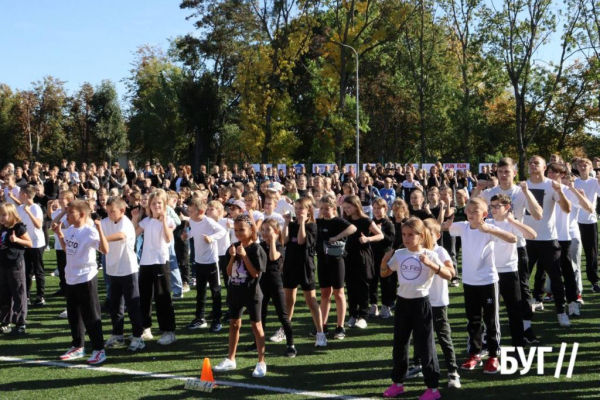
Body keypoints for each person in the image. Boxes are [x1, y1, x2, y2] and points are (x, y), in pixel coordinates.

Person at [381, 217, 454, 400]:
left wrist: (432, 265)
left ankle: (432, 388)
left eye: (411, 235)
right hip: (402, 303)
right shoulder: (399, 254)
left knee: (425, 345)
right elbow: (384, 274)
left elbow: (449, 275)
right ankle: (398, 383)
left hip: (421, 304)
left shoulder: (430, 255)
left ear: (421, 236)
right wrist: (384, 261)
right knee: (400, 344)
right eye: (404, 234)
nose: (406, 238)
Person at [472, 157, 543, 343]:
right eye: (500, 171)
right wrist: (477, 190)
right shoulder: (489, 193)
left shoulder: (521, 191)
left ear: (514, 172)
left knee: (522, 290)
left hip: (516, 248)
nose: (504, 175)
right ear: (497, 173)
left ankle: (526, 328)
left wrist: (527, 193)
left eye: (507, 171)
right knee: (489, 293)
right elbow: (470, 211)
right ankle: (488, 336)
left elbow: (538, 214)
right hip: (491, 249)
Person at [443, 197, 517, 374]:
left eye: (475, 211)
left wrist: (490, 230)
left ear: (484, 214)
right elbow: (442, 228)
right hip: (469, 282)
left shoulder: (489, 228)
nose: (470, 213)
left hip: (488, 281)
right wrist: (446, 213)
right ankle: (474, 353)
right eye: (468, 210)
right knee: (473, 320)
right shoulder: (463, 227)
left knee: (491, 321)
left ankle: (493, 355)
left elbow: (512, 238)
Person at [52, 200, 108, 365]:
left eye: (70, 213)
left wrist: (99, 229)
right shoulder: (69, 230)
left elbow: (105, 250)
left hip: (86, 278)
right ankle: (78, 346)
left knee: (91, 316)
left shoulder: (89, 232)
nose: (67, 215)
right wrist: (60, 235)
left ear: (82, 214)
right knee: (74, 315)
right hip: (71, 277)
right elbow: (68, 250)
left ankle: (99, 350)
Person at [213, 215, 268, 378]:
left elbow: (255, 273)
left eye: (242, 229)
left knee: (256, 326)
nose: (238, 233)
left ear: (251, 230)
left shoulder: (256, 249)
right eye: (236, 230)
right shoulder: (233, 247)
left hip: (252, 293)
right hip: (235, 291)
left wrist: (244, 256)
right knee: (234, 324)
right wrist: (231, 257)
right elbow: (229, 272)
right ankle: (231, 358)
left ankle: (261, 361)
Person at [523, 156, 572, 328]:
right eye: (530, 163)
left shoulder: (551, 186)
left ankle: (561, 312)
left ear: (544, 167)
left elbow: (567, 209)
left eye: (536, 163)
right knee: (522, 279)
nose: (532, 165)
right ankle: (524, 315)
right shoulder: (522, 186)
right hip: (526, 240)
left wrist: (560, 192)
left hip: (548, 239)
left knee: (556, 278)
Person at [487, 194, 536, 348]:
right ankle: (490, 346)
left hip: (510, 271)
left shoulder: (512, 224)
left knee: (514, 311)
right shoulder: (487, 222)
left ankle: (518, 345)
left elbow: (532, 235)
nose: (493, 209)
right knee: (489, 312)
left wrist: (512, 221)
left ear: (507, 207)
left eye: (497, 206)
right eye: (492, 206)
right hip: (490, 273)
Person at [131, 189, 177, 345]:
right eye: (153, 203)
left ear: (164, 205)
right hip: (145, 262)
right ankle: (146, 327)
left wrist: (163, 220)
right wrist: (134, 218)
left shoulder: (169, 220)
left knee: (162, 296)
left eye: (159, 203)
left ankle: (169, 331)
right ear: (149, 206)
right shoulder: (147, 221)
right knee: (144, 296)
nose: (156, 206)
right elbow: (133, 234)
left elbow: (168, 238)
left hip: (160, 262)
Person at [101, 196, 146, 352]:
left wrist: (102, 239)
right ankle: (117, 334)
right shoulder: (105, 222)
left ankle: (138, 337)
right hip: (112, 270)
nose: (109, 214)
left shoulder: (125, 222)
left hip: (128, 270)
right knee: (115, 306)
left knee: (133, 305)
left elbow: (121, 235)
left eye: (112, 211)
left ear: (122, 210)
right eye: (107, 211)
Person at [282, 197, 327, 346]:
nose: (298, 211)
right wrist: (287, 223)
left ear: (308, 210)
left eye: (301, 208)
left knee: (311, 301)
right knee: (288, 300)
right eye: (296, 208)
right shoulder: (292, 224)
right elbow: (284, 241)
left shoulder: (312, 226)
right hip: (290, 265)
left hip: (305, 267)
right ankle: (285, 329)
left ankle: (320, 333)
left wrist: (301, 223)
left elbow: (301, 241)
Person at [183, 197, 227, 333]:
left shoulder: (209, 221)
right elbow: (193, 233)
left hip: (211, 262)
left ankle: (217, 320)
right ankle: (200, 318)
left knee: (215, 292)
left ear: (201, 211)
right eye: (188, 211)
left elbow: (222, 231)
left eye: (191, 211)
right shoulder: (192, 220)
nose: (189, 213)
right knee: (200, 292)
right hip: (199, 261)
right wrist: (187, 235)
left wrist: (211, 238)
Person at [316, 195, 357, 339]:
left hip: (337, 260)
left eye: (327, 208)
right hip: (322, 261)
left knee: (339, 293)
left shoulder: (338, 221)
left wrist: (336, 237)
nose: (324, 211)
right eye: (321, 208)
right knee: (325, 293)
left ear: (333, 208)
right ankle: (323, 325)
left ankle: (340, 326)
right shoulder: (318, 222)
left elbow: (353, 228)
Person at [342, 195, 383, 329]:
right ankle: (353, 315)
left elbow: (380, 235)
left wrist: (368, 239)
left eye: (349, 207)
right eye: (345, 207)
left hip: (363, 256)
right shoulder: (345, 219)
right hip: (349, 256)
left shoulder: (365, 220)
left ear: (356, 206)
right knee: (351, 286)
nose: (347, 210)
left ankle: (363, 316)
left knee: (363, 286)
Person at [258, 218, 296, 357]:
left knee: (283, 315)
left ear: (276, 231)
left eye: (268, 230)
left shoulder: (279, 246)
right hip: (262, 283)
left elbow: (273, 257)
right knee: (260, 314)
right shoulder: (260, 245)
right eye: (263, 230)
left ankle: (291, 345)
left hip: (276, 283)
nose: (265, 233)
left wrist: (273, 241)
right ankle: (258, 343)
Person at [0, 203, 33, 336]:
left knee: (18, 293)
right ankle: (5, 322)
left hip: (15, 264)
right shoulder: (1, 228)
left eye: (3, 215)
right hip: (2, 265)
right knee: (3, 294)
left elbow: (30, 243)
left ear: (11, 214)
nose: (1, 218)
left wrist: (17, 239)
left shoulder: (18, 227)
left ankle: (20, 323)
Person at [16, 185, 47, 306]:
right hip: (25, 243)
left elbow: (39, 225)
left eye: (20, 194)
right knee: (26, 270)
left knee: (38, 270)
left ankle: (41, 296)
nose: (18, 196)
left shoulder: (35, 208)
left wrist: (29, 213)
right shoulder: (20, 208)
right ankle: (27, 295)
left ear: (24, 195)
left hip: (37, 243)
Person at [574, 158, 600, 293]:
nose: (583, 167)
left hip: (590, 221)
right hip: (574, 222)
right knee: (572, 254)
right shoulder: (574, 182)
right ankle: (572, 281)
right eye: (581, 165)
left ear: (590, 168)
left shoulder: (595, 182)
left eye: (586, 165)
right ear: (577, 167)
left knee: (591, 253)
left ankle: (594, 281)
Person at [369, 198, 395, 318]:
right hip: (372, 256)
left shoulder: (389, 224)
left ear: (385, 209)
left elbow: (390, 241)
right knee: (372, 281)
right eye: (374, 208)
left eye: (379, 208)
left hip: (385, 256)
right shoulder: (370, 222)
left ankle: (386, 306)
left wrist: (380, 233)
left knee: (385, 282)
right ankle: (373, 305)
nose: (376, 211)